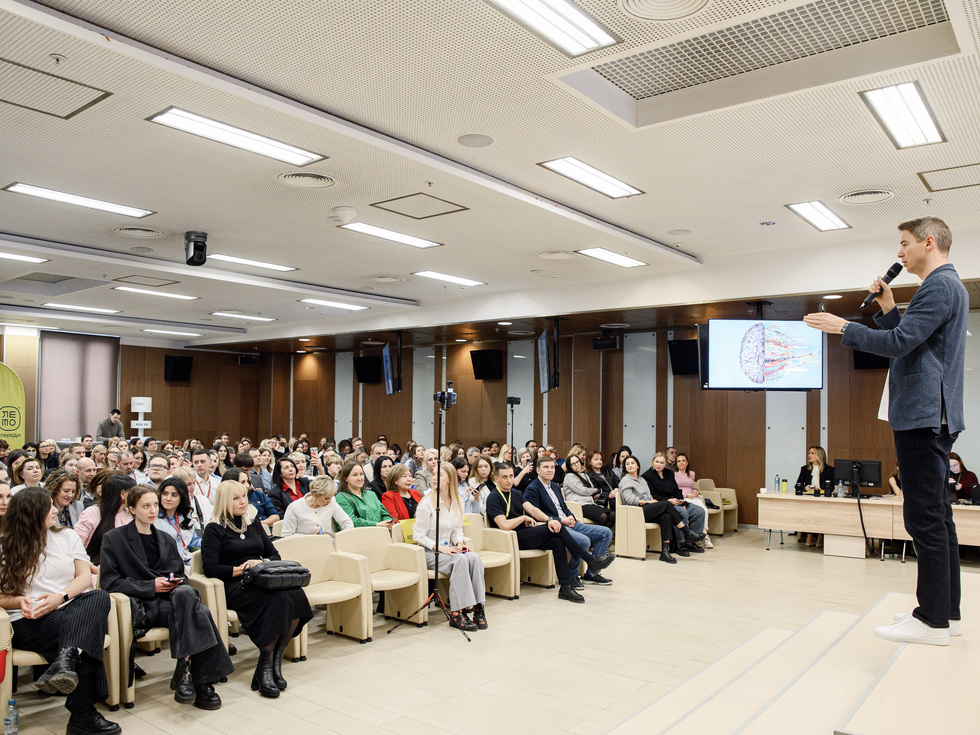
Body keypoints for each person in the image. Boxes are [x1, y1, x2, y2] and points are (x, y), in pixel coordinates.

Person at [805, 216, 967, 646]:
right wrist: (888, 307)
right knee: (938, 517)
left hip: (923, 415)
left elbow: (898, 345)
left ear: (928, 243)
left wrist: (844, 327)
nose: (899, 253)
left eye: (905, 243)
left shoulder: (940, 285)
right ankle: (945, 612)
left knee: (923, 518)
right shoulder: (947, 286)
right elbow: (908, 337)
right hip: (930, 414)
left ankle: (931, 620)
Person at [100, 485, 233, 710]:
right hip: (143, 605)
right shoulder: (114, 538)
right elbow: (110, 583)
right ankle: (200, 682)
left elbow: (180, 575)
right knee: (201, 612)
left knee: (185, 593)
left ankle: (186, 672)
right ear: (131, 509)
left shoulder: (166, 539)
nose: (153, 510)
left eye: (155, 504)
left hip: (172, 601)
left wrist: (173, 582)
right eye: (145, 506)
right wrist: (150, 586)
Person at [0, 488, 121, 735]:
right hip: (29, 620)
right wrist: (19, 601)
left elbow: (85, 577)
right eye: (49, 507)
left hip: (67, 606)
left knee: (98, 596)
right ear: (32, 513)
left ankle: (67, 658)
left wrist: (60, 597)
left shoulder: (66, 537)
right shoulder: (4, 545)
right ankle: (83, 714)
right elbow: (2, 597)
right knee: (89, 632)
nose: (56, 510)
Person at [201, 481, 313, 698]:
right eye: (235, 498)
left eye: (244, 496)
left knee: (295, 594)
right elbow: (211, 568)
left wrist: (259, 562)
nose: (243, 501)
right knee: (276, 600)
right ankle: (265, 666)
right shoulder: (214, 529)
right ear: (224, 501)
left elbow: (274, 555)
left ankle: (272, 663)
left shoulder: (253, 523)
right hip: (236, 585)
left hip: (261, 578)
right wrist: (241, 569)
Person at [486, 463, 611, 603]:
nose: (509, 480)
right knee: (556, 527)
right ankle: (589, 560)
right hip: (509, 539)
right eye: (504, 477)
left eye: (511, 476)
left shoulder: (515, 493)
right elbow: (504, 525)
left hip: (523, 533)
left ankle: (566, 587)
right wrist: (522, 518)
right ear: (496, 478)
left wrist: (549, 519)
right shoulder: (494, 497)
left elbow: (533, 510)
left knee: (557, 541)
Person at [412, 462, 487, 631]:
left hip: (449, 549)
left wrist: (460, 543)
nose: (435, 478)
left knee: (473, 558)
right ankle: (457, 612)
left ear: (450, 478)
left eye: (440, 475)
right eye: (434, 474)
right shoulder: (427, 503)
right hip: (429, 551)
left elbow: (456, 529)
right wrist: (440, 548)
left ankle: (478, 607)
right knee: (460, 560)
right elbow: (418, 535)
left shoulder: (457, 500)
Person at [523, 456, 615, 587]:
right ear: (538, 470)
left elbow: (564, 507)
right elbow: (536, 514)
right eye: (546, 467)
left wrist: (571, 517)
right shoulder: (532, 488)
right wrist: (561, 520)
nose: (550, 470)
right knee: (584, 541)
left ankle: (591, 573)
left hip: (568, 523)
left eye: (552, 467)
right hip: (555, 527)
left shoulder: (555, 486)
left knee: (606, 533)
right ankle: (572, 575)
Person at [619, 455, 704, 563]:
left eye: (632, 463)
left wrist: (651, 501)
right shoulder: (625, 480)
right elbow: (630, 500)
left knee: (666, 516)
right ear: (625, 467)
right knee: (666, 504)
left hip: (647, 508)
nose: (630, 466)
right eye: (627, 464)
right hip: (636, 511)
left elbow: (649, 495)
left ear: (637, 466)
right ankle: (686, 531)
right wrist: (648, 502)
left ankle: (664, 551)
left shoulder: (641, 480)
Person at [642, 452, 707, 556]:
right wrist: (669, 500)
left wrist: (681, 500)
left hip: (676, 501)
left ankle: (690, 542)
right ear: (653, 462)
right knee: (683, 512)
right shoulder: (647, 476)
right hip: (663, 504)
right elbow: (654, 495)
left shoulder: (669, 473)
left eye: (662, 462)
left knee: (699, 511)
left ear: (665, 464)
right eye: (656, 462)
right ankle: (680, 544)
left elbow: (677, 490)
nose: (658, 464)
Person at [76, 474, 137, 557]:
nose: (135, 497)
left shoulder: (129, 514)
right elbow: (76, 547)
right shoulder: (92, 513)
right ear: (122, 494)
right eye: (132, 492)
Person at [281, 476, 353, 537]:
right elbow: (286, 535)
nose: (330, 501)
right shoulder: (294, 507)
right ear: (315, 495)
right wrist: (309, 539)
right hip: (303, 548)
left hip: (328, 544)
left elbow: (347, 522)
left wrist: (342, 538)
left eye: (331, 497)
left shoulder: (332, 502)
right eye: (326, 498)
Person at [154, 477, 200, 567]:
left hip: (188, 560)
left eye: (174, 495)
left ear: (181, 498)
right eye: (164, 494)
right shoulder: (154, 519)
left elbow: (193, 542)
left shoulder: (185, 517)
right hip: (166, 565)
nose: (168, 498)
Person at [794, 446, 834, 547]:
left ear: (819, 455)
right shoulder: (805, 469)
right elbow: (797, 485)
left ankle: (821, 535)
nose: (809, 455)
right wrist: (805, 487)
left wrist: (820, 488)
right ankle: (810, 534)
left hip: (823, 499)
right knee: (809, 510)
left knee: (822, 510)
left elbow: (832, 487)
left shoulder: (829, 470)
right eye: (809, 453)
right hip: (809, 499)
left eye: (812, 453)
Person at [335, 462, 395, 528]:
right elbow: (349, 522)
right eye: (355, 475)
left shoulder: (371, 494)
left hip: (380, 533)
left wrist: (387, 522)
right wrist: (376, 525)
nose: (360, 478)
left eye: (361, 474)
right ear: (345, 478)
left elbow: (385, 514)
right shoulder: (341, 497)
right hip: (358, 536)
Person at [562, 454, 613, 529]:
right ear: (569, 466)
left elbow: (590, 488)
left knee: (612, 515)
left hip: (590, 502)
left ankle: (603, 535)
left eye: (577, 462)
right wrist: (595, 490)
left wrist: (594, 492)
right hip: (579, 505)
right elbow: (582, 490)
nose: (576, 465)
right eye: (573, 464)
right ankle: (598, 536)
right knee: (603, 516)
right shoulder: (569, 476)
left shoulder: (584, 475)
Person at [674, 453, 712, 549]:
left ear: (687, 463)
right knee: (686, 512)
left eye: (683, 461)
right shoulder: (673, 475)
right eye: (679, 461)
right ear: (676, 464)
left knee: (704, 510)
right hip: (682, 498)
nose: (681, 463)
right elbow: (674, 490)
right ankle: (698, 538)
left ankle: (703, 535)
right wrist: (686, 495)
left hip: (693, 498)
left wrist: (696, 491)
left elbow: (690, 487)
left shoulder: (691, 474)